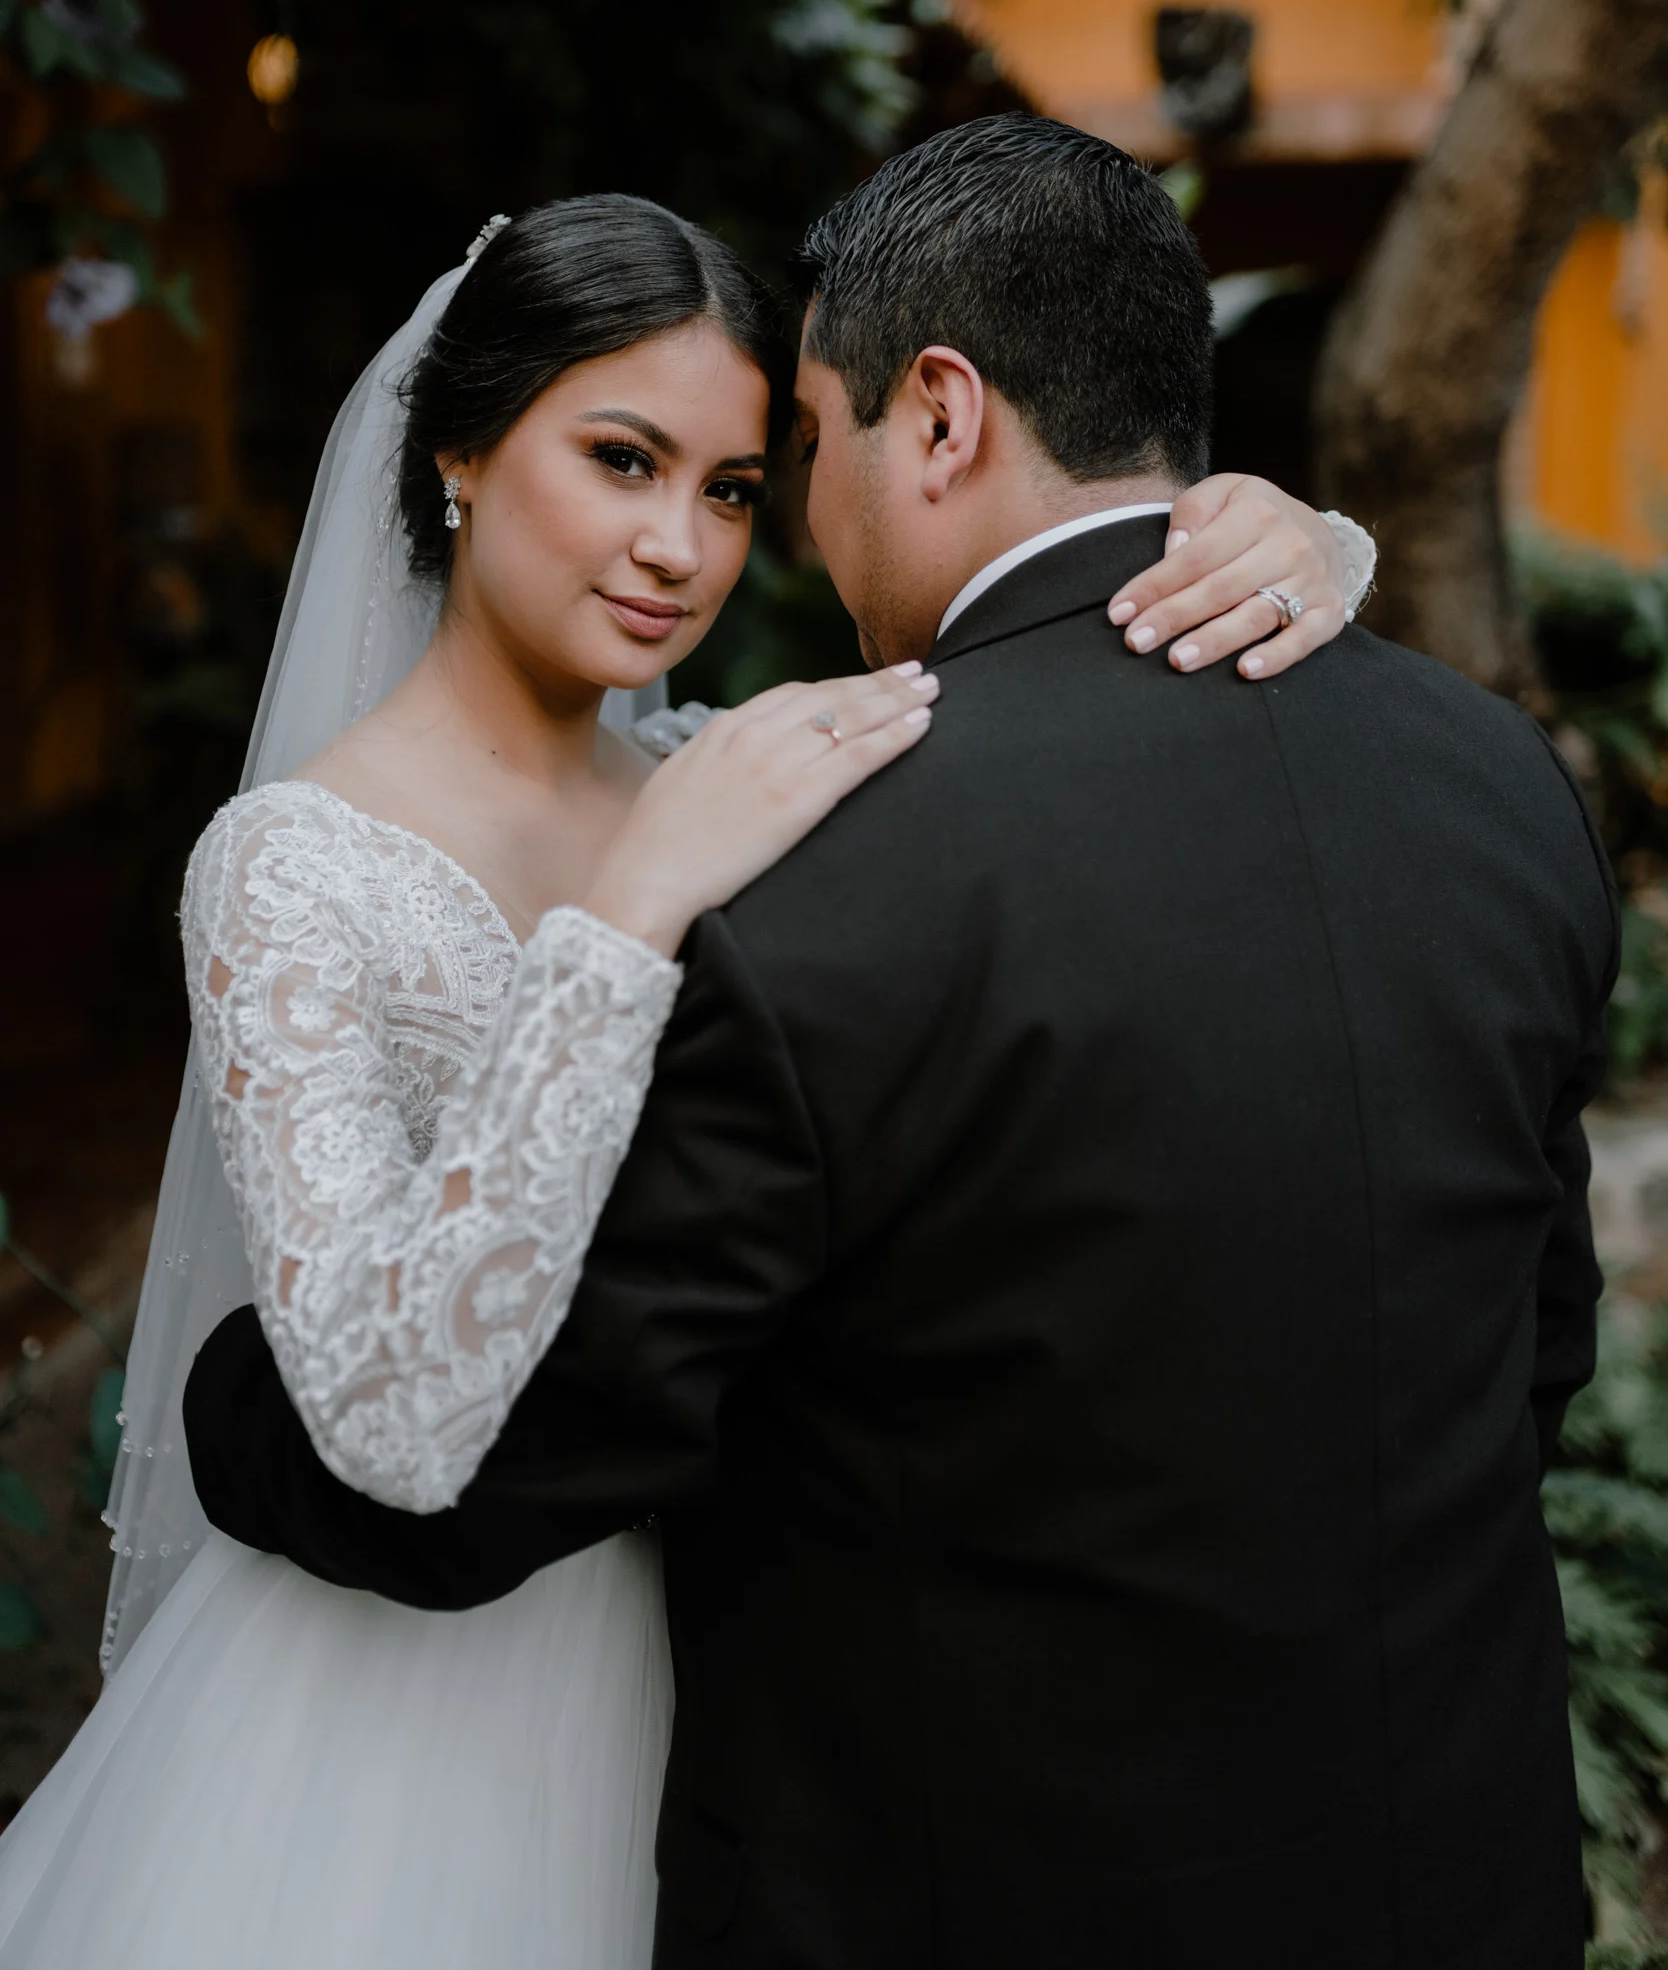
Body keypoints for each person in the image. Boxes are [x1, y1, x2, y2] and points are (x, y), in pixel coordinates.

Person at [185, 119, 1614, 1970]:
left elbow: (548, 1436)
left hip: (977, 1887)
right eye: (628, 460)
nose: (725, 537)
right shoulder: (1500, 786)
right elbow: (1532, 1346)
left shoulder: (820, 871)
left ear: (937, 417)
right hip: (1458, 1881)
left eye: (770, 462)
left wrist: (231, 1412)